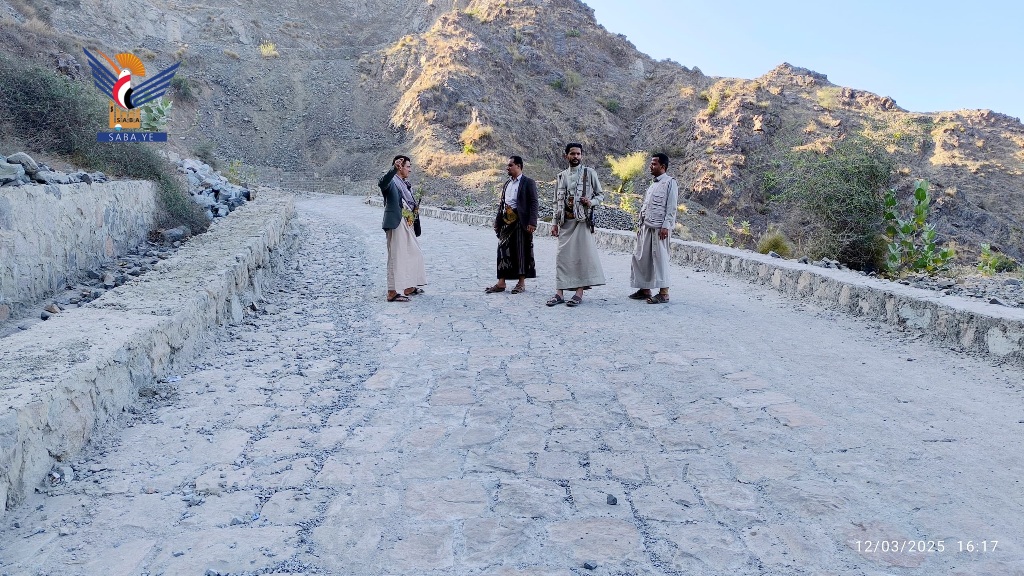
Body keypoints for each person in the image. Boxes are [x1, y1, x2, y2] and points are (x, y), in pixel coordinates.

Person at [547, 143, 606, 307]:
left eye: (578, 154)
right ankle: (559, 293)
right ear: (566, 156)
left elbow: (601, 195)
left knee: (581, 257)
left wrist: (591, 201)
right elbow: (555, 202)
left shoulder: (590, 173)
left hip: (581, 221)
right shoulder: (561, 176)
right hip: (565, 221)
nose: (576, 157)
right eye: (572, 154)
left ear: (582, 155)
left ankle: (579, 293)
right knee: (562, 258)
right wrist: (554, 223)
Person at [629, 153, 679, 304]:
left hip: (659, 229)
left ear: (663, 166)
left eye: (654, 164)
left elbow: (672, 207)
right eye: (651, 164)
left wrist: (666, 226)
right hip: (646, 226)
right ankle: (645, 289)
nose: (651, 166)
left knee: (660, 259)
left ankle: (664, 293)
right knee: (641, 258)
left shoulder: (670, 183)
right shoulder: (654, 184)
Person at [486, 155, 539, 294]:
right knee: (502, 251)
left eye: (510, 165)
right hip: (506, 221)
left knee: (520, 251)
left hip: (521, 222)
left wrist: (532, 222)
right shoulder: (507, 184)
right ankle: (501, 283)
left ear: (519, 166)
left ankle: (521, 283)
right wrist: (498, 222)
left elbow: (534, 203)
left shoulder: (528, 182)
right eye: (508, 165)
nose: (507, 168)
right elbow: (502, 204)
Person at [378, 155, 426, 302]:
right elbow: (382, 183)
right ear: (399, 167)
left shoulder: (405, 184)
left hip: (408, 222)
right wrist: (393, 169)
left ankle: (408, 287)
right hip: (396, 222)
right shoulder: (391, 182)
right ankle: (392, 292)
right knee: (396, 257)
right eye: (408, 167)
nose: (410, 170)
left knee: (413, 253)